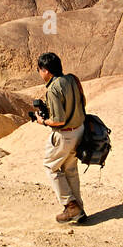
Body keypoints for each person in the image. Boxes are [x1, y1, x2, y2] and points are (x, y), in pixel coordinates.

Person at [33, 52, 87, 224]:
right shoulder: (72, 79)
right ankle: (79, 210)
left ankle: (71, 206)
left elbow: (59, 120)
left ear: (46, 71)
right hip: (79, 130)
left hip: (65, 135)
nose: (39, 73)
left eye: (39, 70)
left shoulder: (54, 89)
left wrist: (42, 121)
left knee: (51, 167)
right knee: (70, 169)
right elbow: (82, 102)